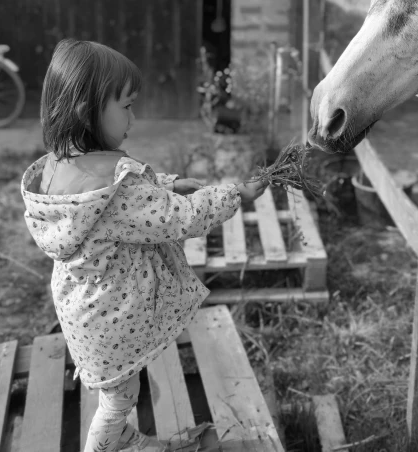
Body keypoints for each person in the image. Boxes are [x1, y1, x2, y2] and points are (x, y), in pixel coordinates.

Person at [21, 39, 267, 452]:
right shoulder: (117, 190)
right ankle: (104, 446)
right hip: (111, 318)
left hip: (84, 308)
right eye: (128, 106)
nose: (134, 116)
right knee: (119, 400)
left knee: (120, 390)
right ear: (87, 111)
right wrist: (235, 195)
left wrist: (169, 184)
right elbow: (180, 218)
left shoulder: (57, 166)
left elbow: (132, 195)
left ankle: (119, 439)